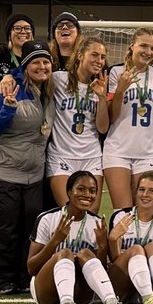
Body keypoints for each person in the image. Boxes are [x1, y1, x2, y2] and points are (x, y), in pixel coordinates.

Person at [0, 39, 55, 295]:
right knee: (1, 231)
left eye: (46, 61)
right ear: (25, 66)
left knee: (28, 228)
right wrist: (7, 109)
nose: (42, 66)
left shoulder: (48, 90)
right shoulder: (9, 88)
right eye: (35, 62)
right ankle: (1, 279)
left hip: (30, 174)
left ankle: (21, 277)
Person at [27, 169, 128, 304]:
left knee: (86, 253)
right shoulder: (48, 219)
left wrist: (102, 247)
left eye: (92, 191)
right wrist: (55, 241)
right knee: (65, 253)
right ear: (69, 192)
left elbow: (99, 271)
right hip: (46, 289)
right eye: (81, 189)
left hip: (81, 293)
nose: (87, 194)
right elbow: (32, 268)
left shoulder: (96, 223)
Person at [103, 27, 153, 211]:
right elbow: (112, 117)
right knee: (123, 212)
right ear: (132, 46)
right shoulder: (116, 72)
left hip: (146, 152)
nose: (148, 52)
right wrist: (120, 89)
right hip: (118, 150)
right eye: (143, 46)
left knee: (144, 211)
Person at [46, 33, 109, 207]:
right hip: (61, 155)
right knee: (70, 211)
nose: (99, 60)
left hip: (92, 156)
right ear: (80, 55)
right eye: (94, 55)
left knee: (90, 215)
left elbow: (102, 129)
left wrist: (102, 98)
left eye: (102, 57)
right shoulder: (58, 79)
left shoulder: (99, 86)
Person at [107, 170, 153, 304]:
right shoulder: (121, 216)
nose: (145, 195)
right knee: (137, 249)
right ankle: (149, 299)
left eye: (152, 191)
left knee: (152, 247)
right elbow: (115, 259)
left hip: (149, 281)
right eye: (141, 189)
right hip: (121, 282)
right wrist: (113, 239)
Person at [0, 14, 36, 86]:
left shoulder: (38, 57)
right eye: (17, 28)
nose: (23, 32)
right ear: (9, 34)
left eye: (27, 28)